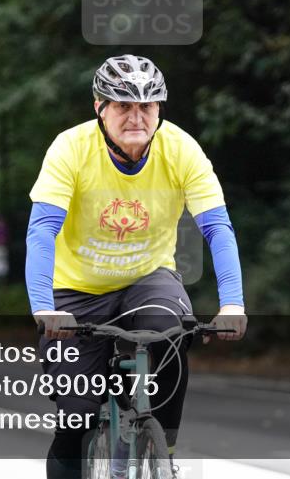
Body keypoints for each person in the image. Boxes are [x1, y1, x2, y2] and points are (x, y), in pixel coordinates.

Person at [27, 54, 247, 479]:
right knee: (77, 418)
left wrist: (233, 304)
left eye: (146, 106)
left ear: (159, 109)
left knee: (169, 329)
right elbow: (42, 233)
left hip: (148, 281)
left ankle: (161, 445)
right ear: (99, 106)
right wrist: (44, 306)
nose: (136, 117)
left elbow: (218, 228)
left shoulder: (181, 149)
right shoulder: (70, 148)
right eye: (123, 105)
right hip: (76, 293)